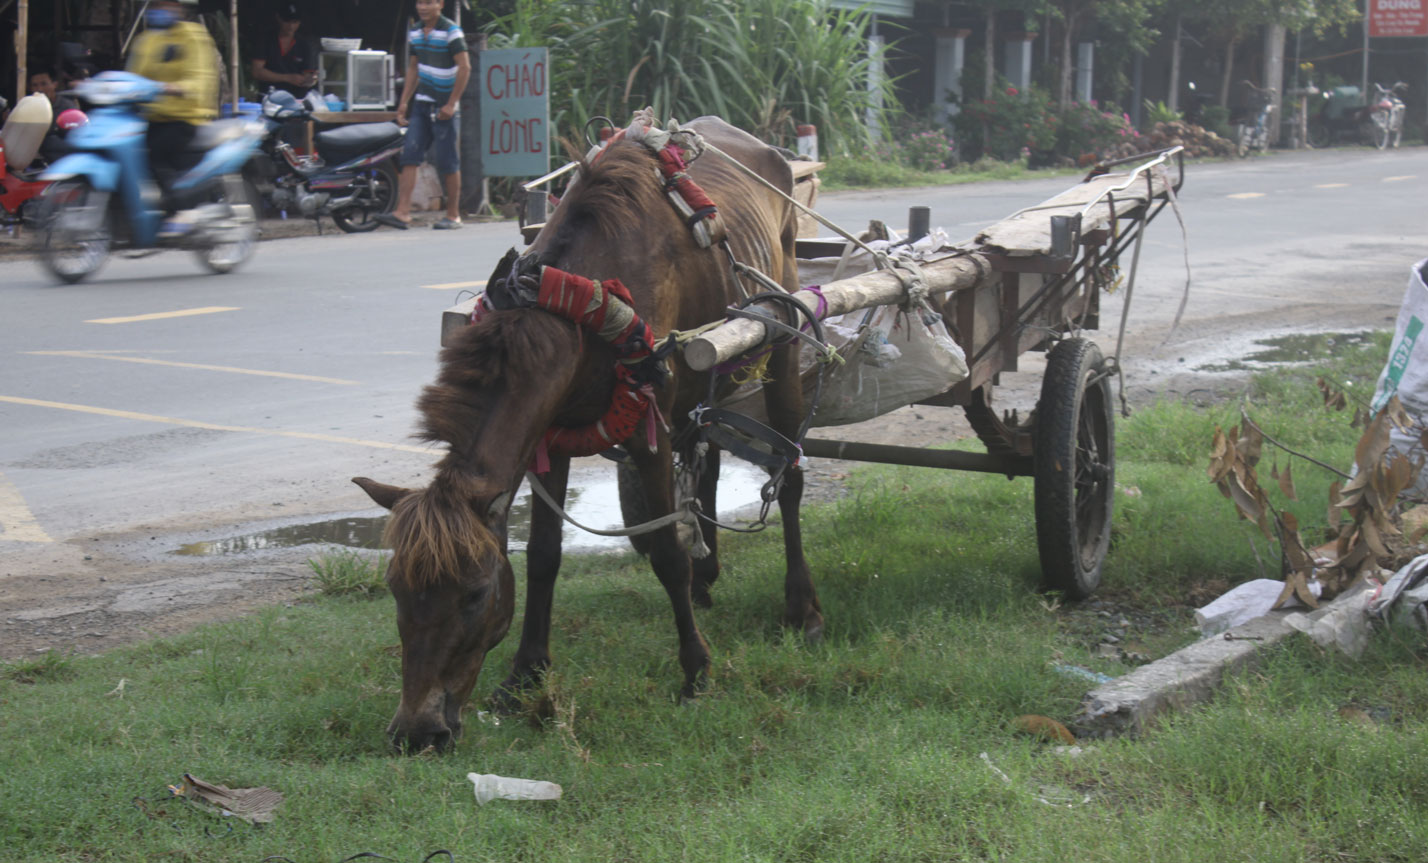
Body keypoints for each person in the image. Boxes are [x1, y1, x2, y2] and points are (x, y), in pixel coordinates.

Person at [125, 0, 219, 234]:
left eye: (166, 5)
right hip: (151, 116)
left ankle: (184, 210)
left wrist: (173, 88)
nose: (159, 9)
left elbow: (199, 78)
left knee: (156, 153)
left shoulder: (193, 36)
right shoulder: (146, 39)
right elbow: (131, 77)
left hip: (185, 116)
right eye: (156, 4)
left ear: (181, 8)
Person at [376, 0, 470, 230]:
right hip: (422, 104)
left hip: (444, 107)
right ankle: (402, 212)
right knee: (410, 155)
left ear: (440, 4)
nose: (422, 7)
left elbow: (465, 67)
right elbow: (413, 68)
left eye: (428, 2)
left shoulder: (451, 31)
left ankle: (453, 215)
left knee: (448, 161)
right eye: (419, 2)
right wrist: (403, 102)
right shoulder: (416, 31)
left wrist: (451, 103)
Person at [251, 2, 317, 99]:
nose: (291, 26)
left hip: (296, 100)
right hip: (268, 98)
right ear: (278, 18)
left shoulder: (304, 45)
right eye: (287, 21)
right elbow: (256, 72)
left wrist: (310, 80)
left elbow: (308, 75)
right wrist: (287, 78)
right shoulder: (265, 40)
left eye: (295, 22)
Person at [26, 68, 79, 165]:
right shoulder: (26, 108)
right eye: (35, 85)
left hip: (63, 164)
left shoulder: (67, 108)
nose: (40, 89)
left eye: (44, 84)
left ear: (54, 84)